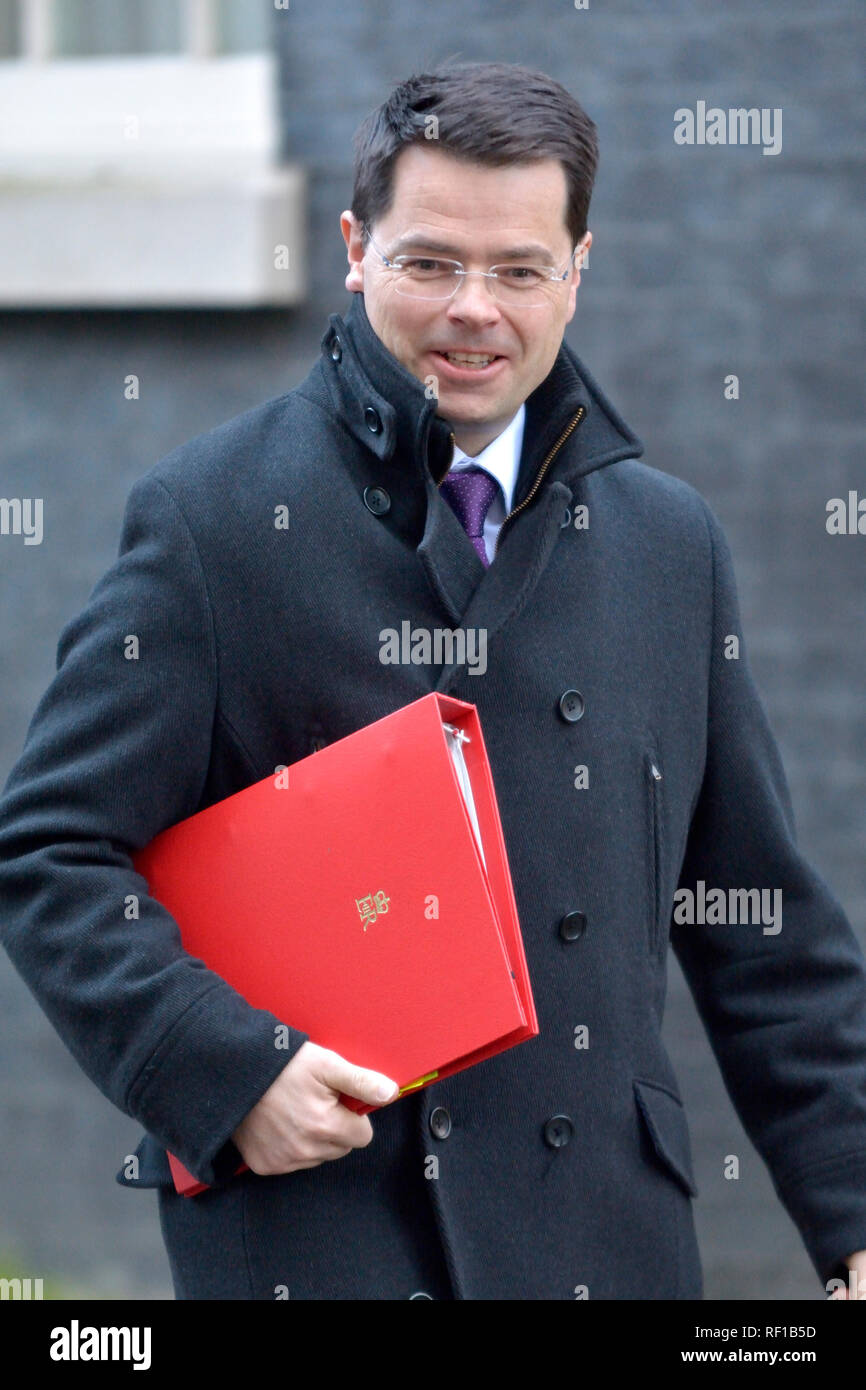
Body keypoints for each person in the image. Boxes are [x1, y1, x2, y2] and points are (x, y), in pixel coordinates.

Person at [1, 61, 865, 1302]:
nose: (475, 308)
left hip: (606, 1248)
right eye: (428, 262)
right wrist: (228, 1070)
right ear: (353, 248)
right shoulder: (214, 520)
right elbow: (49, 852)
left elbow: (759, 923)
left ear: (579, 268)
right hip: (331, 1240)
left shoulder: (670, 544)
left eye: (518, 269)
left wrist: (846, 1217)